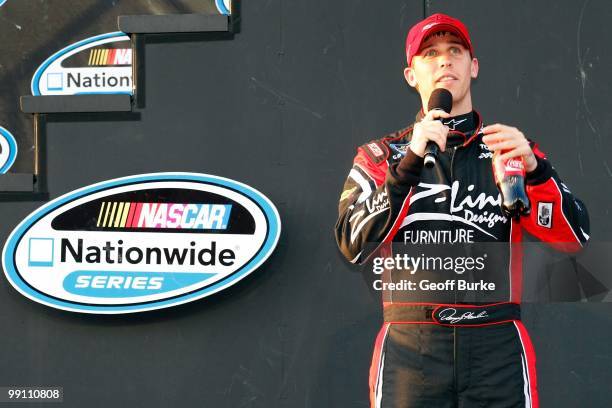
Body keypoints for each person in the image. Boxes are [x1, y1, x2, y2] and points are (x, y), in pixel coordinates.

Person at [334, 13, 590, 408]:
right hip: (410, 346)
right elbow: (351, 243)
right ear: (410, 75)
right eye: (430, 53)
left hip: (498, 347)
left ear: (473, 67)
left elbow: (575, 239)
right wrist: (407, 167)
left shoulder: (512, 150)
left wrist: (539, 174)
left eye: (455, 50)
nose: (444, 61)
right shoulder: (381, 156)